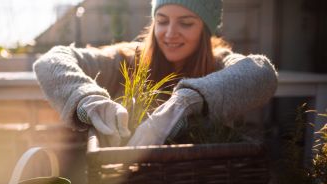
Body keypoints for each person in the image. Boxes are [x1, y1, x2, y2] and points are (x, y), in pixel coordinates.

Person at [33, 0, 278, 147]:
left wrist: (185, 102)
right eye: (162, 21)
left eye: (186, 23)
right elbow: (50, 61)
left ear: (205, 29)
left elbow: (262, 72)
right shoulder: (129, 60)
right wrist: (88, 100)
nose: (170, 33)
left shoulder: (218, 64)